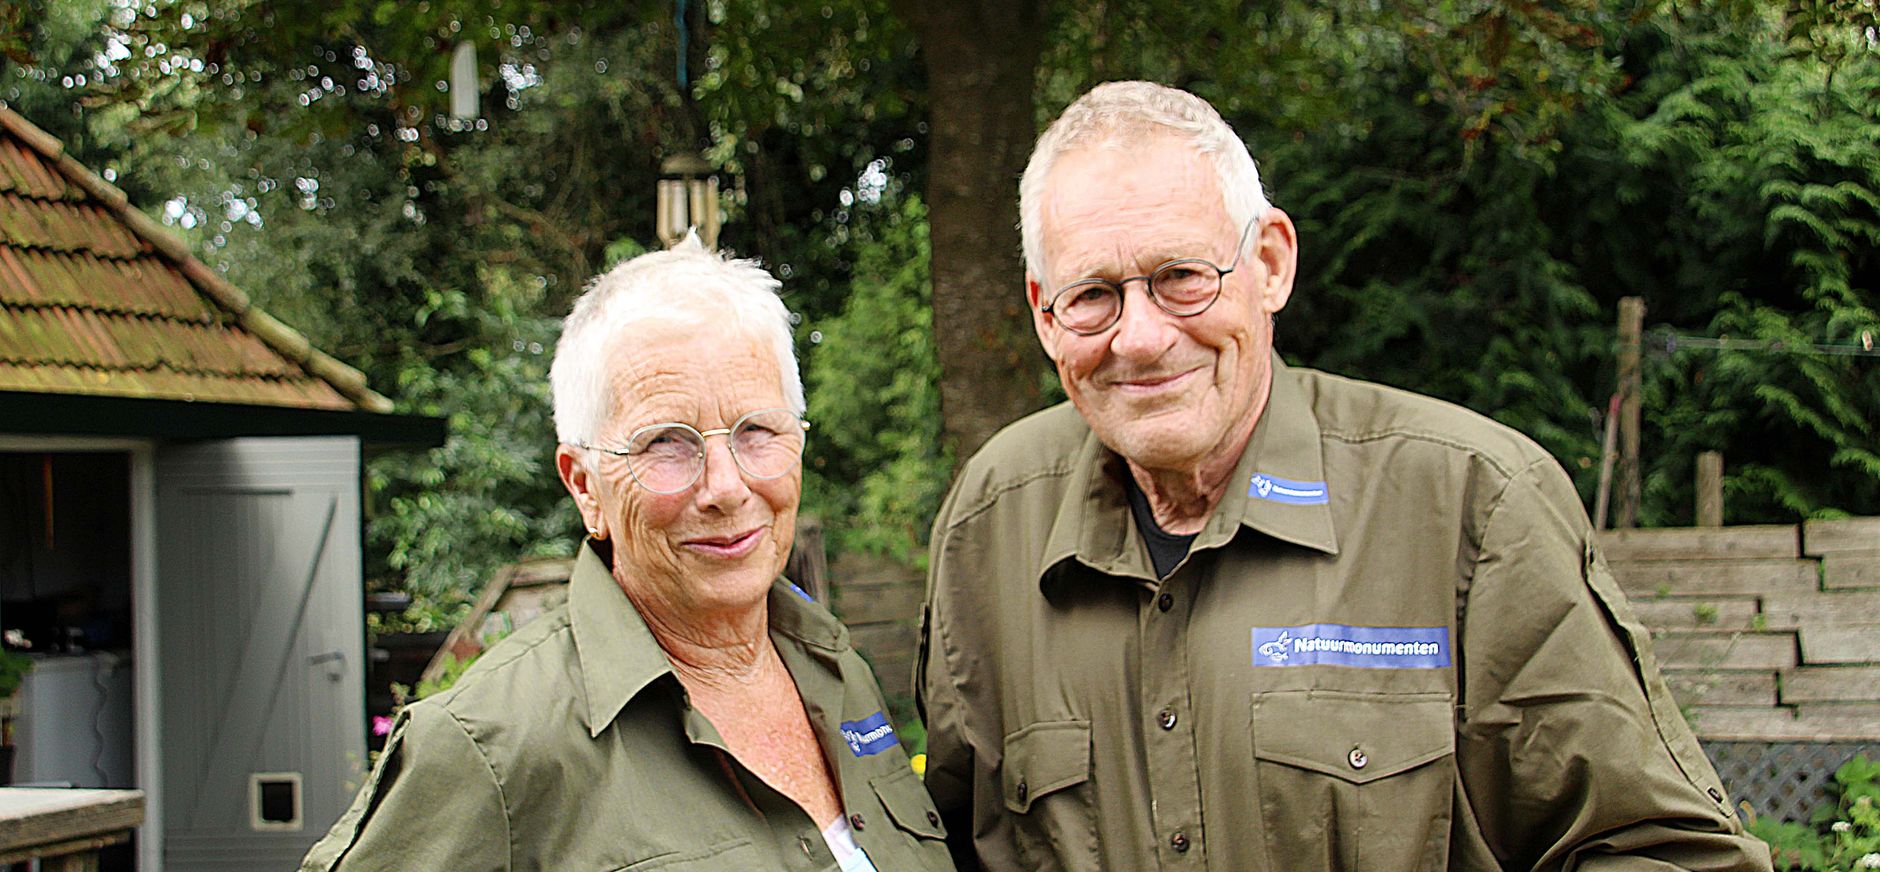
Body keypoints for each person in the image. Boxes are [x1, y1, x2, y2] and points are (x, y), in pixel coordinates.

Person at [916, 81, 1772, 871]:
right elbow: (942, 846)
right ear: (1044, 313)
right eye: (1093, 295)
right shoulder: (993, 522)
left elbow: (1664, 854)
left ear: (1271, 263)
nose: (1139, 338)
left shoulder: (1471, 504)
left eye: (1181, 278)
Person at [303, 239, 953, 871]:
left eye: (757, 429)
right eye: (666, 442)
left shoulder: (836, 670)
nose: (727, 487)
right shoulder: (491, 746)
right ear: (585, 485)